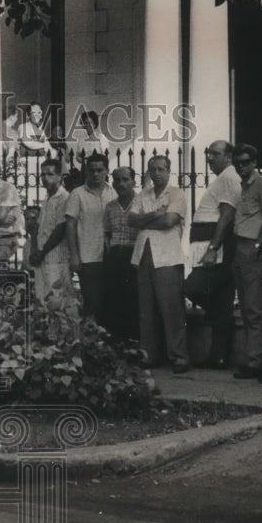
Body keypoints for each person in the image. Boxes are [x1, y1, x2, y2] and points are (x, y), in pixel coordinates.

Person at [128, 155, 190, 373]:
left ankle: (179, 356)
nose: (157, 173)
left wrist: (146, 220)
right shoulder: (142, 194)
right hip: (143, 255)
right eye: (153, 169)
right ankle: (148, 355)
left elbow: (169, 222)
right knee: (146, 308)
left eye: (161, 169)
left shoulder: (177, 194)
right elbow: (130, 219)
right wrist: (155, 214)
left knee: (171, 307)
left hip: (168, 257)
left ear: (169, 171)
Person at [185, 140, 241, 369]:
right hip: (207, 240)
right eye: (208, 154)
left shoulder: (228, 177)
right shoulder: (224, 178)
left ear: (228, 156)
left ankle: (218, 352)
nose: (209, 158)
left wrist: (212, 248)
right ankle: (218, 356)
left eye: (215, 154)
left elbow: (227, 216)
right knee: (222, 299)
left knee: (191, 287)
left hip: (214, 242)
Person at [230, 144, 262, 379]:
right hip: (240, 247)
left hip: (253, 248)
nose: (241, 166)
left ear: (254, 162)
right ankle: (253, 357)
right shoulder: (241, 187)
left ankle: (257, 361)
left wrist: (258, 244)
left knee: (254, 307)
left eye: (245, 162)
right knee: (247, 307)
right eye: (237, 162)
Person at [64, 152, 117, 325]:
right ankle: (90, 344)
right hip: (88, 257)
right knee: (91, 303)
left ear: (107, 171)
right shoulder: (77, 194)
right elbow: (70, 225)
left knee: (110, 303)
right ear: (86, 171)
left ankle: (106, 346)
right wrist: (74, 256)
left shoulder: (113, 192)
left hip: (110, 256)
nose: (95, 174)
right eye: (92, 170)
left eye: (99, 170)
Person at [102, 166, 139, 340]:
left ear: (134, 181)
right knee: (114, 300)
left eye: (125, 179)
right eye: (117, 180)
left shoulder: (141, 203)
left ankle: (134, 342)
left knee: (134, 300)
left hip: (135, 256)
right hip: (116, 256)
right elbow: (107, 233)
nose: (121, 184)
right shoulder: (110, 207)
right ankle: (117, 342)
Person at [28, 159, 72, 302]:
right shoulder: (47, 198)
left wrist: (42, 252)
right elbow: (39, 229)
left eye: (50, 174)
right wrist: (36, 252)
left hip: (57, 259)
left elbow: (60, 229)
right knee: (42, 300)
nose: (45, 178)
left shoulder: (64, 198)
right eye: (43, 174)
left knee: (57, 302)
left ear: (60, 176)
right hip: (43, 259)